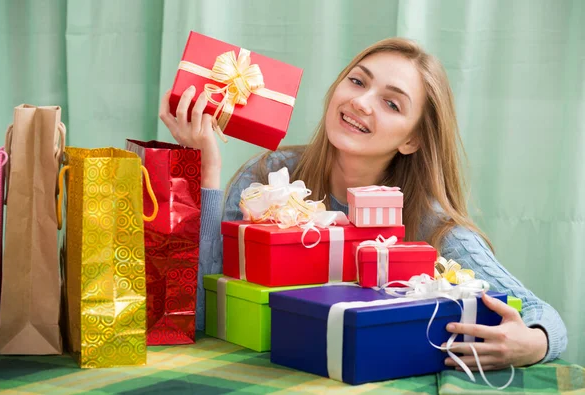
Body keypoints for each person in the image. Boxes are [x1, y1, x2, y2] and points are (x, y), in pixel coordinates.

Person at [159, 37, 567, 371]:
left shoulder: (431, 227)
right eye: (357, 81)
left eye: (391, 103)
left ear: (412, 140)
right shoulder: (267, 177)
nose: (361, 102)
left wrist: (534, 342)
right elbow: (200, 313)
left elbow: (543, 316)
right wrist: (204, 171)